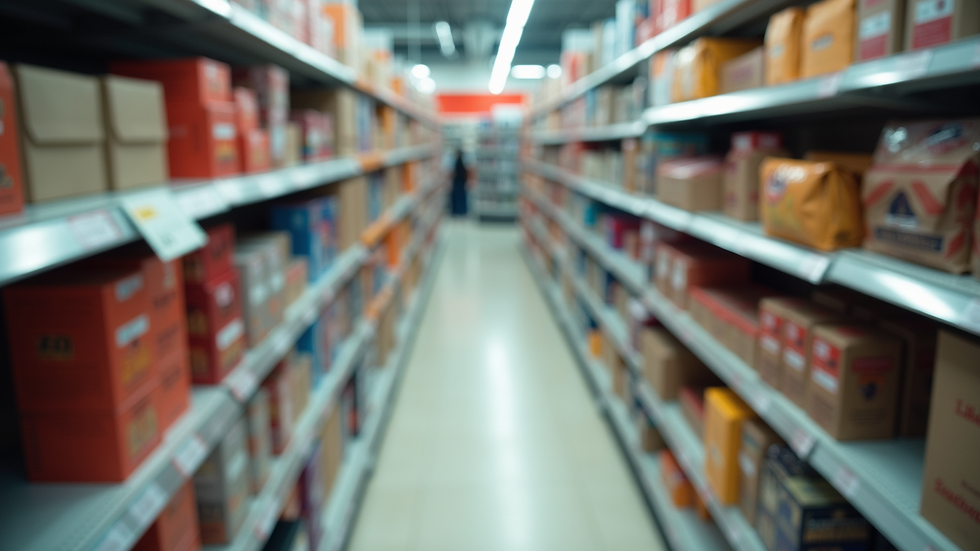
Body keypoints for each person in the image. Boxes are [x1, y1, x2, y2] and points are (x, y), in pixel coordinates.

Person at [450, 149, 468, 216]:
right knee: (462, 197)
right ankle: (462, 211)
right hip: (461, 182)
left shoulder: (458, 162)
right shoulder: (463, 162)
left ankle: (457, 211)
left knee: (457, 197)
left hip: (458, 181)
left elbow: (455, 173)